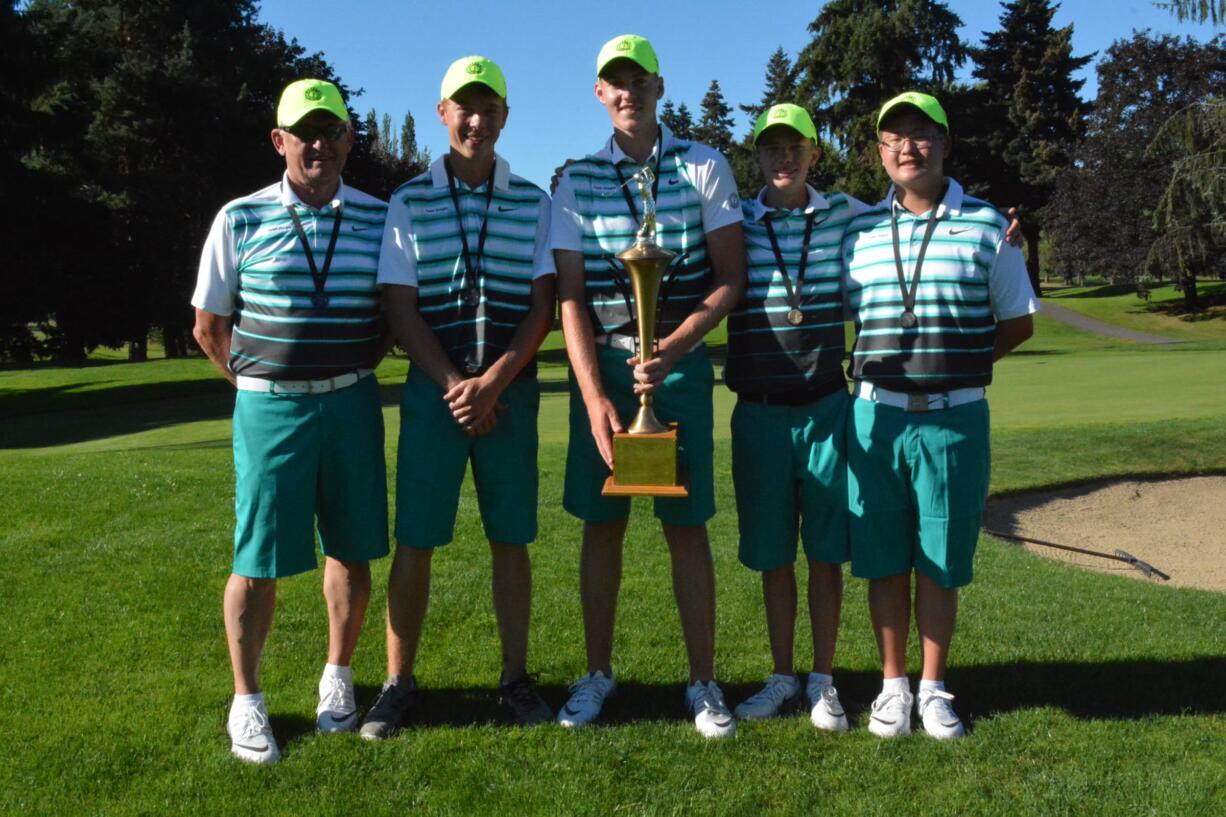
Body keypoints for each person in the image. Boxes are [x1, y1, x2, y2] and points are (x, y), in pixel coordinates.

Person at [551, 34, 747, 739]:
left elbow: (730, 278)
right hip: (602, 371)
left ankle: (702, 682)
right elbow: (569, 296)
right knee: (601, 528)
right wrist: (595, 394)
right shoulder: (575, 179)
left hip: (682, 370)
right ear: (600, 95)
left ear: (660, 87)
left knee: (686, 529)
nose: (628, 90)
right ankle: (598, 673)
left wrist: (675, 346)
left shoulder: (704, 166)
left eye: (639, 79)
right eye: (615, 82)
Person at [191, 78, 390, 764]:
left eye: (330, 130)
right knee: (257, 558)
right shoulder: (239, 218)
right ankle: (246, 699)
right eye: (303, 131)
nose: (318, 143)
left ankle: (338, 676)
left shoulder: (379, 215)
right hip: (269, 405)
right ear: (279, 141)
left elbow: (389, 319)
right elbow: (209, 325)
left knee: (353, 546)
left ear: (348, 139)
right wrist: (256, 383)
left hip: (353, 399)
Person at [359, 56, 556, 738]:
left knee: (511, 540)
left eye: (488, 107)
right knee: (415, 540)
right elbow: (400, 308)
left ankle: (515, 678)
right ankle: (398, 681)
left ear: (505, 115)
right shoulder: (409, 200)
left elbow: (541, 308)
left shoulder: (535, 201)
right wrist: (455, 387)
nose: (475, 119)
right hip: (435, 396)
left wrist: (493, 382)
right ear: (442, 113)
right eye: (462, 107)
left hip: (509, 395)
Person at [841, 91, 1037, 739]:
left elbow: (1016, 322)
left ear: (945, 143)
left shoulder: (987, 225)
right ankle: (892, 685)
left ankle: (932, 686)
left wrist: (963, 365)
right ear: (879, 153)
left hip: (954, 421)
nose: (907, 147)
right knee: (883, 558)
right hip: (876, 418)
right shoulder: (859, 231)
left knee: (939, 560)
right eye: (893, 137)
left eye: (921, 134)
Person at [725, 104, 866, 731]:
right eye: (772, 149)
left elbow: (917, 213)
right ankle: (783, 676)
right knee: (775, 555)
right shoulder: (733, 220)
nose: (784, 159)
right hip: (757, 412)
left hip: (826, 408)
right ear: (756, 157)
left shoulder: (844, 212)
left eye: (795, 148)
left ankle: (823, 680)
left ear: (815, 153)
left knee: (826, 553)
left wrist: (998, 228)